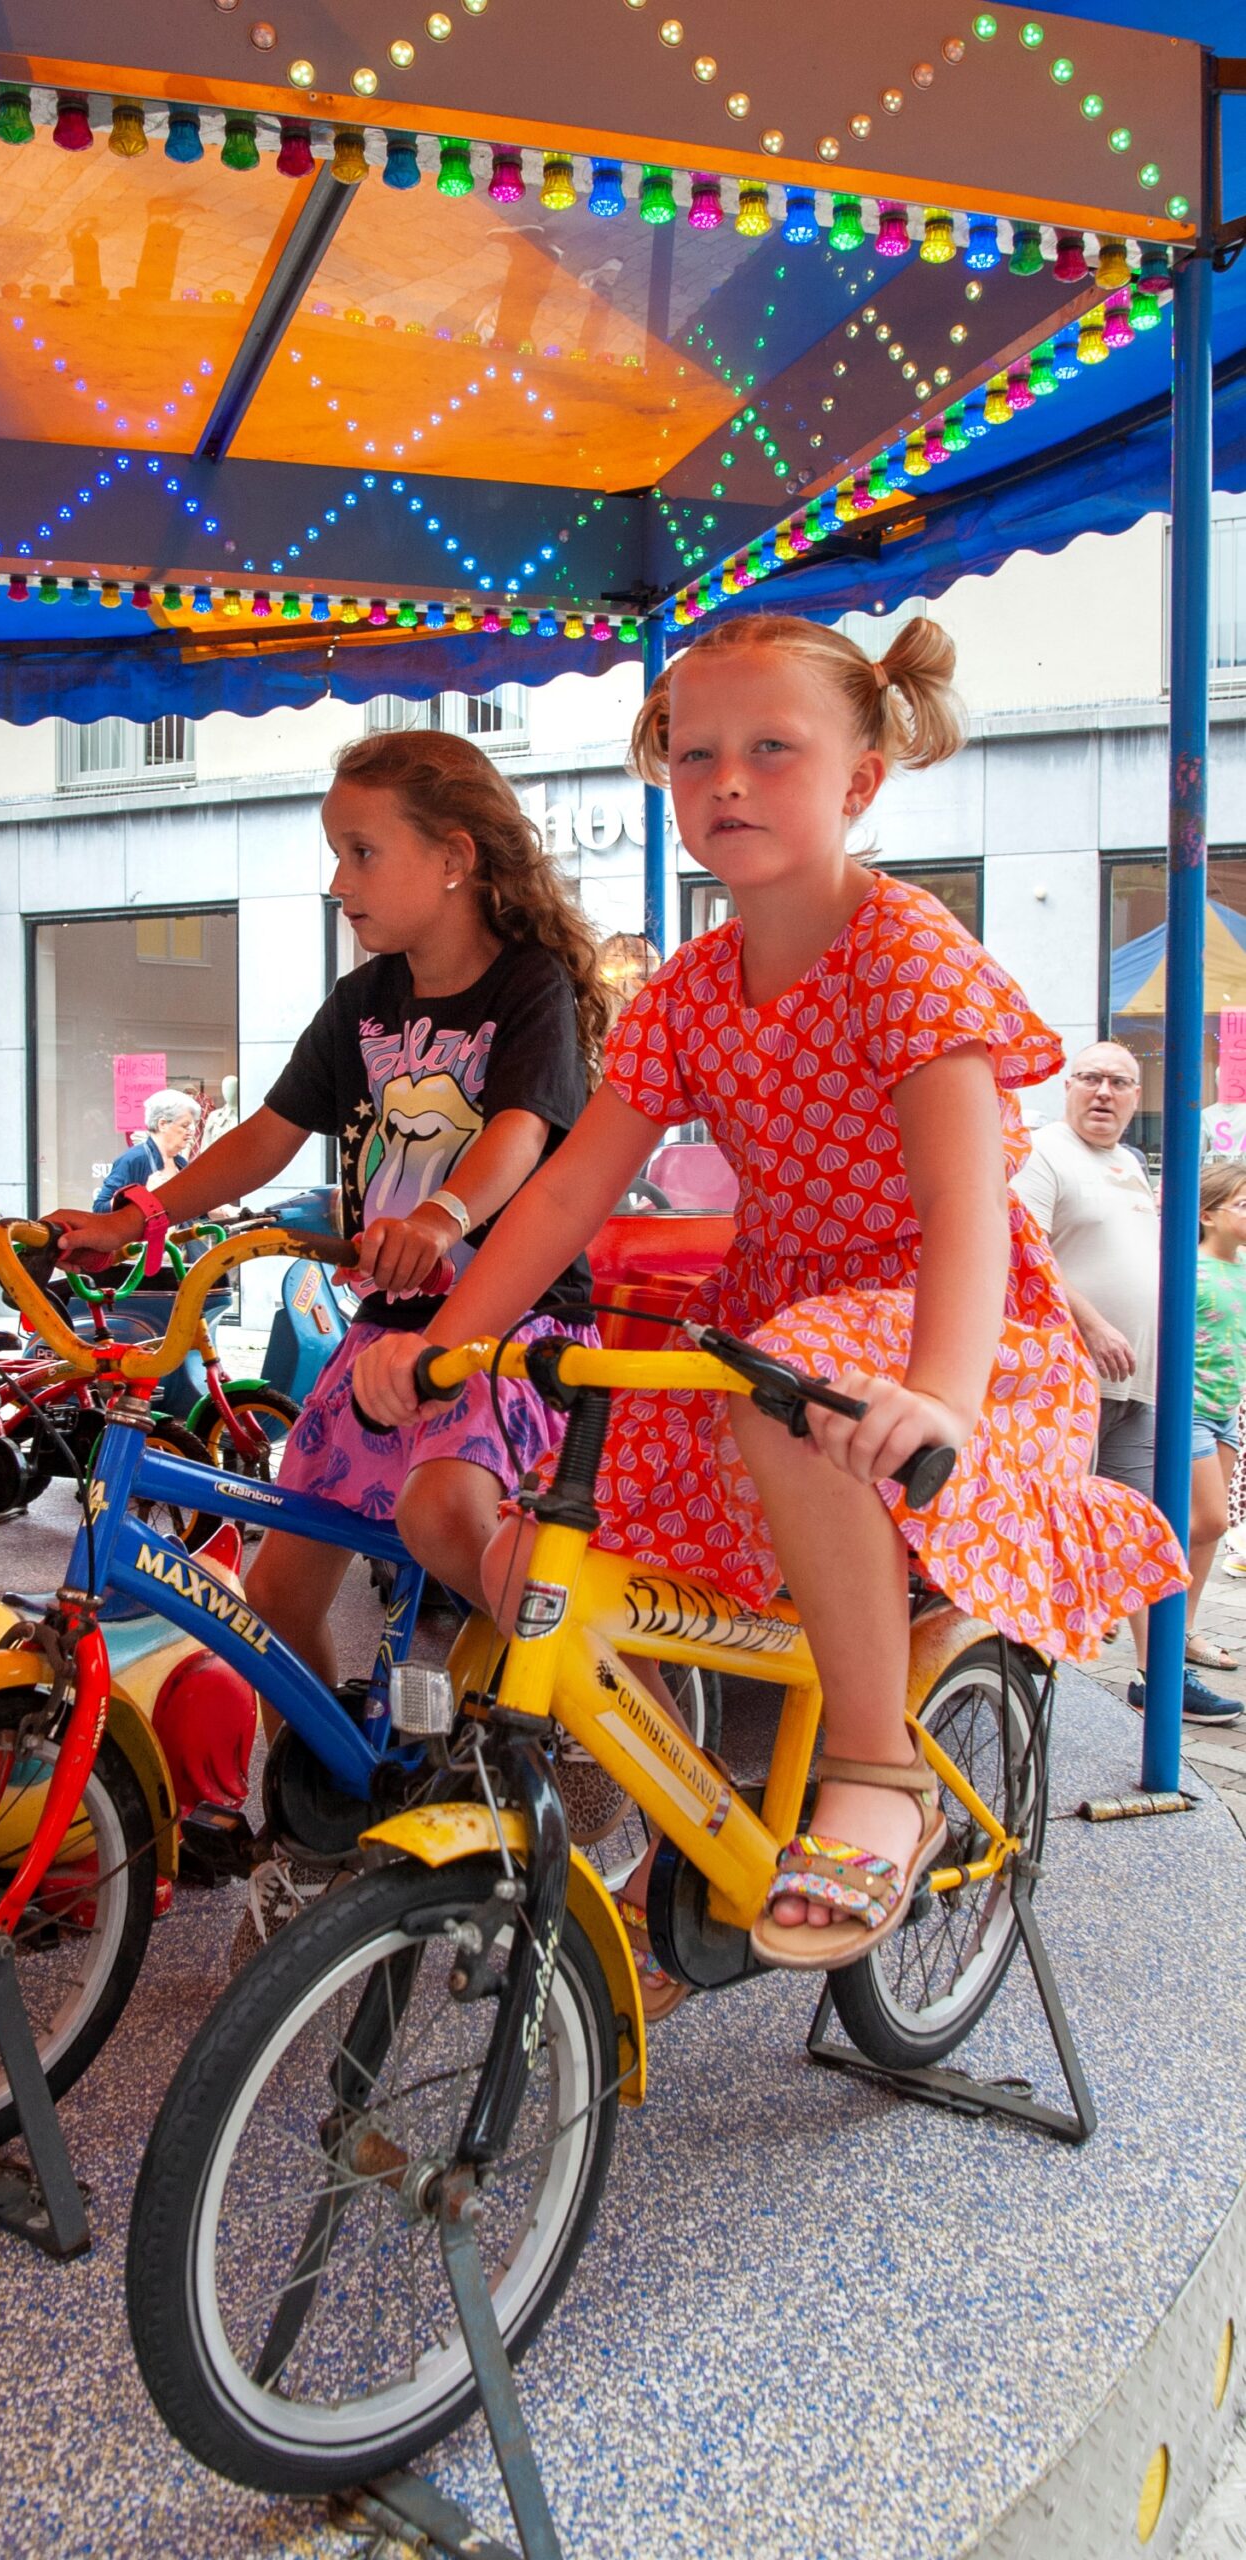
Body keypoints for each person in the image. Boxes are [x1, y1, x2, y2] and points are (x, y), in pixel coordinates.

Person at [355, 611, 1186, 1997]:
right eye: (692, 757)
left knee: (792, 1383)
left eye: (767, 751)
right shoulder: (685, 989)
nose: (723, 782)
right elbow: (562, 1196)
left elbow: (958, 1204)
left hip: (945, 1327)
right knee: (536, 1517)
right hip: (773, 1338)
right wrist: (447, 1340)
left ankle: (870, 1762)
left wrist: (936, 1386)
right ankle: (668, 1808)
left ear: (858, 781)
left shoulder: (901, 952)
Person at [49, 726, 608, 1671]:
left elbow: (520, 1130)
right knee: (271, 1597)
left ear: (452, 860)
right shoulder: (361, 1003)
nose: (337, 881)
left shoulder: (528, 987)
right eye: (335, 855)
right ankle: (320, 1801)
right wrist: (136, 1217)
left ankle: (597, 1687)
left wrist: (439, 1218)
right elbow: (267, 1135)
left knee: (445, 1518)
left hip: (508, 1329)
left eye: (360, 852)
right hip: (383, 1331)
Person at [1014, 1043, 1237, 1721]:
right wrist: (1092, 1324)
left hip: (1137, 1388)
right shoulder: (1043, 1151)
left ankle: (1157, 1675)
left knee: (1151, 1530)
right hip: (1068, 1381)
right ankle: (1023, 1673)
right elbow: (1021, 1250)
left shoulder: (1129, 1165)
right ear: (1068, 1087)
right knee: (1051, 1527)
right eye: (1091, 1078)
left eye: (1119, 1082)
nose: (1104, 1092)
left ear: (1137, 1096)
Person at [1189, 1160, 1246, 1651]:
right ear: (1208, 1215)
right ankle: (1148, 1601)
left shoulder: (1243, 1266)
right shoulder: (1190, 1269)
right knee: (1208, 1520)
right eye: (1243, 1204)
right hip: (1189, 1410)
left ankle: (1182, 1630)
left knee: (1206, 1532)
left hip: (1226, 1409)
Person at [91, 1090, 200, 1213]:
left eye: (192, 1127)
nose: (191, 1132)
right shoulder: (133, 1160)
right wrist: (144, 1195)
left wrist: (208, 1211)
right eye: (185, 1126)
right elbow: (99, 1210)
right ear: (162, 1124)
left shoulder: (181, 1163)